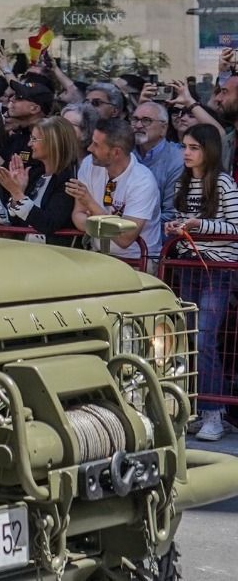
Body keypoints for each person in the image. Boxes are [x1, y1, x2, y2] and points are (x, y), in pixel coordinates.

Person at [164, 123, 238, 441]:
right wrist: (177, 229)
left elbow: (234, 227)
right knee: (192, 339)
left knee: (205, 338)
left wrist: (199, 225)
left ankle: (214, 413)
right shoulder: (183, 183)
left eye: (194, 147)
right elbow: (174, 216)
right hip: (189, 265)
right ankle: (200, 408)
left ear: (209, 150)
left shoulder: (223, 183)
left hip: (217, 269)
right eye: (184, 147)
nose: (187, 153)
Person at [67, 117, 162, 260]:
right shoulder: (89, 164)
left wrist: (91, 204)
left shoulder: (142, 182)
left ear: (116, 152)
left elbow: (125, 238)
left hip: (135, 261)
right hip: (99, 255)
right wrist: (111, 227)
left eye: (96, 145)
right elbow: (78, 215)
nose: (89, 148)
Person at [0, 116, 80, 245]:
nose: (29, 144)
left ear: (52, 142)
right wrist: (18, 191)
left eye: (34, 139)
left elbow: (49, 224)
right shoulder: (36, 174)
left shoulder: (68, 180)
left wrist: (17, 193)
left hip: (55, 256)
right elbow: (15, 221)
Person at [129, 99, 181, 223]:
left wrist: (132, 225)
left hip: (158, 236)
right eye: (135, 119)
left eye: (146, 120)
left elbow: (171, 214)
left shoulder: (176, 159)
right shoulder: (125, 152)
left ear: (163, 128)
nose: (138, 125)